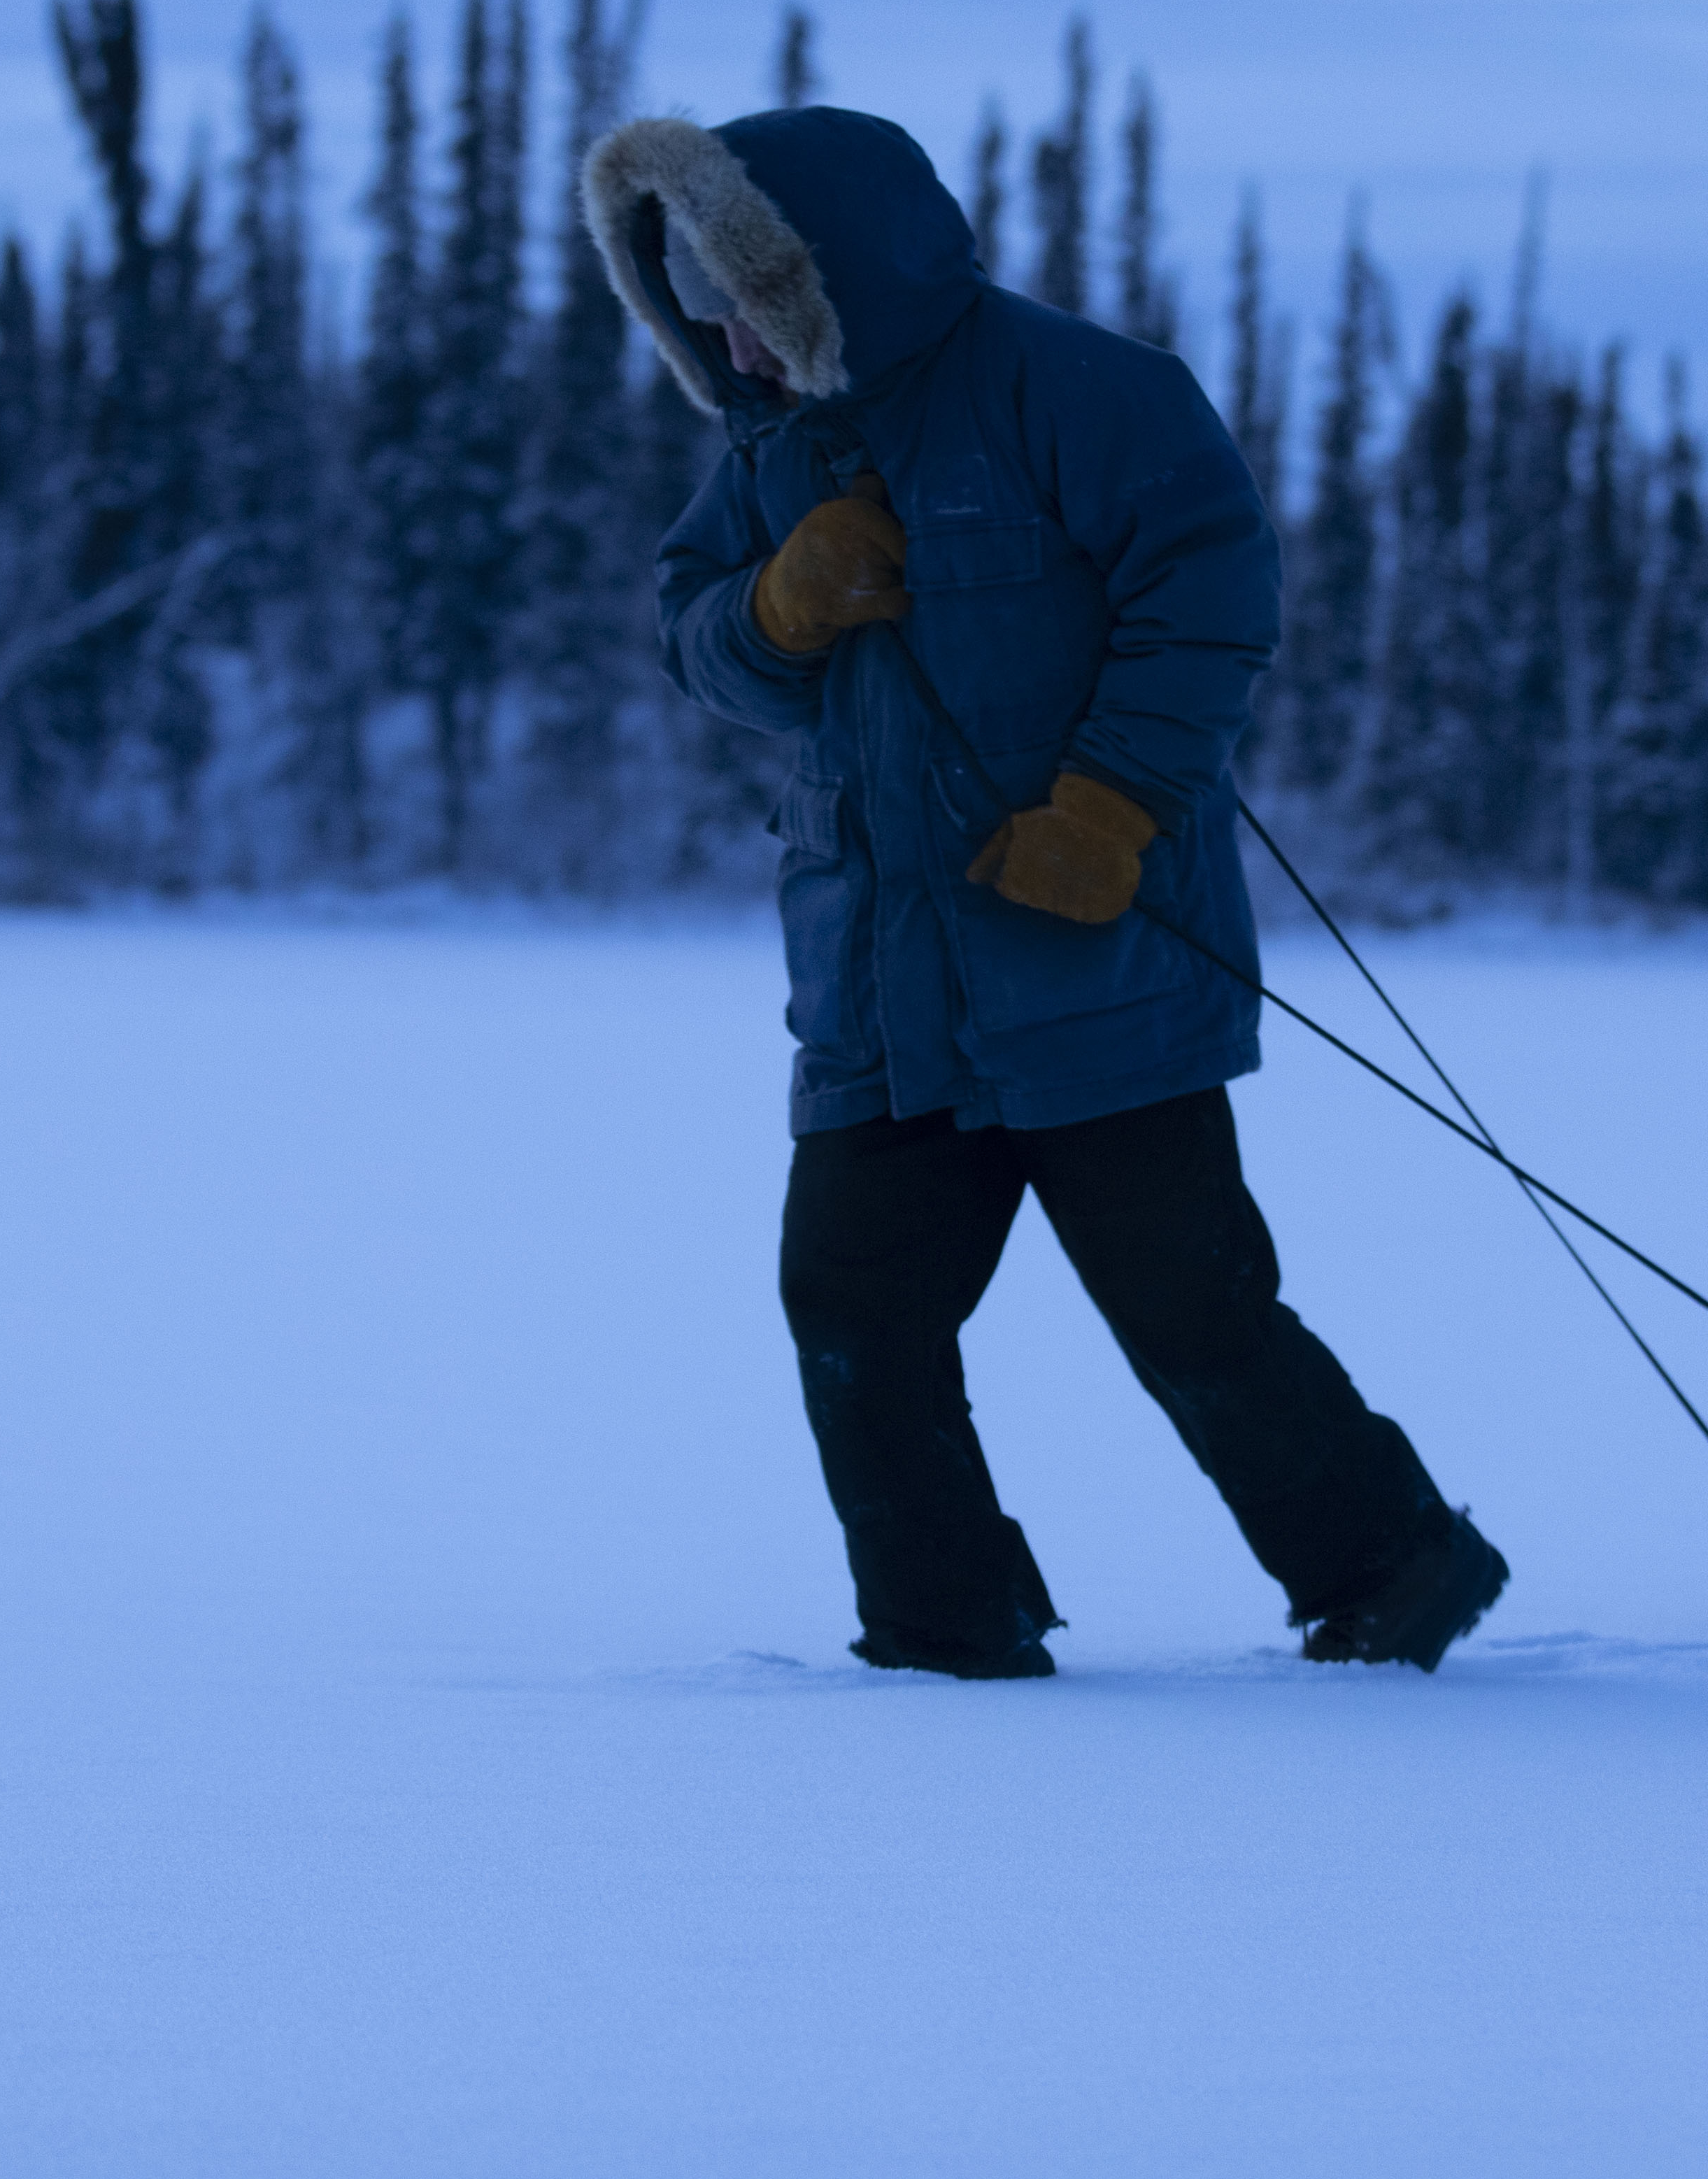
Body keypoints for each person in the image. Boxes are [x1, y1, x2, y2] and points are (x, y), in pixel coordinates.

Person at [582, 102, 1507, 1679]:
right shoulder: (772, 446)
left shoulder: (1082, 389)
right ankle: (947, 1633)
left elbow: (1209, 594)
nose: (727, 346)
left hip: (1095, 964)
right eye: (699, 315)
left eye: (740, 303)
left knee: (1190, 1309)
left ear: (815, 267)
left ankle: (1396, 1564)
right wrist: (778, 606)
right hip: (880, 988)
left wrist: (1110, 806)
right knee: (851, 1305)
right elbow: (695, 640)